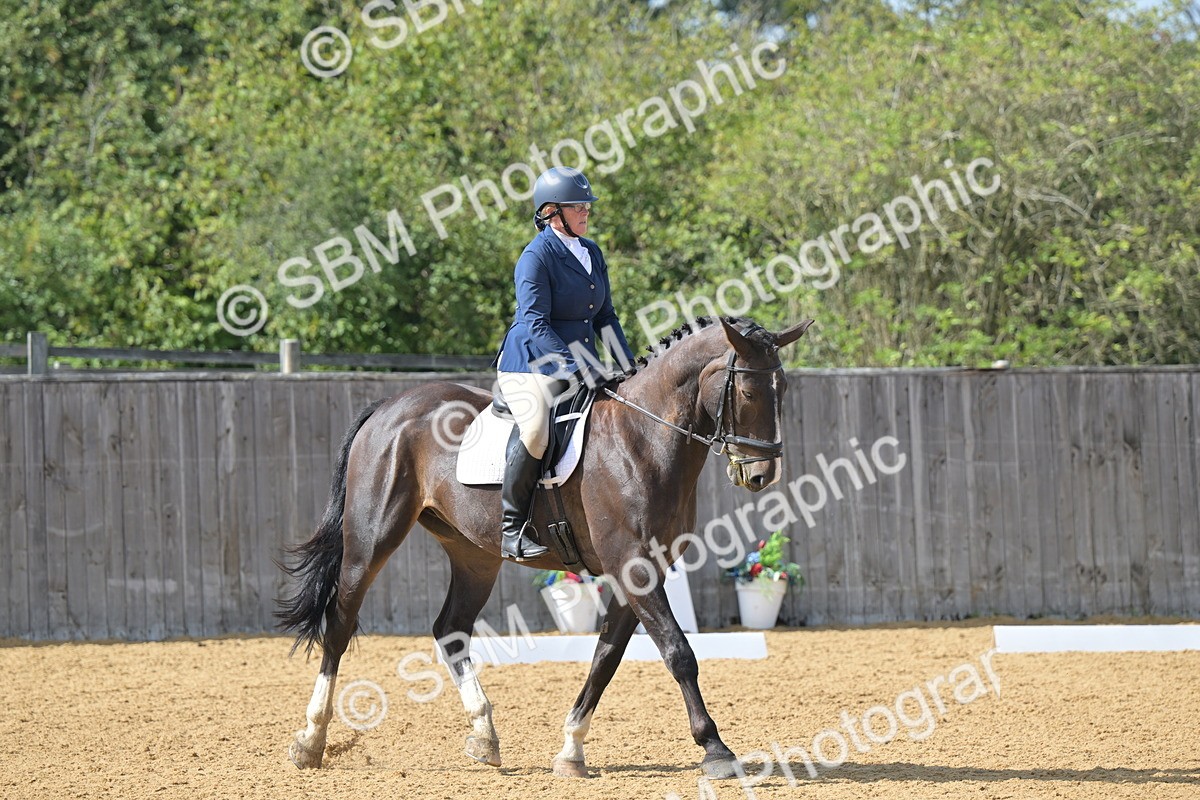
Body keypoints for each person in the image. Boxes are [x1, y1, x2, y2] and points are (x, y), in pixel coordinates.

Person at [491, 166, 637, 561]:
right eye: (578, 206)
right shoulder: (535, 257)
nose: (586, 212)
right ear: (551, 211)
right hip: (531, 362)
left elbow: (605, 316)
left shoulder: (591, 252)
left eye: (587, 205)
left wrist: (626, 365)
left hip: (581, 360)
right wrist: (572, 367)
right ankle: (511, 528)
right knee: (537, 430)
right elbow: (535, 322)